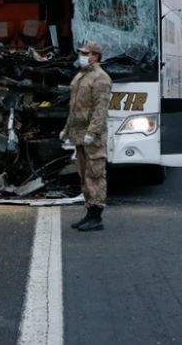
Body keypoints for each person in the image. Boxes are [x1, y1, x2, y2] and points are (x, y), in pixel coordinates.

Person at [60, 41, 112, 232]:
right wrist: (66, 130)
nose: (82, 55)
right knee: (84, 174)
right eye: (81, 53)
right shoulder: (82, 76)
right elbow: (74, 108)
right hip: (79, 134)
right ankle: (89, 212)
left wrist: (93, 132)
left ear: (95, 56)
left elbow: (100, 109)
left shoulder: (101, 78)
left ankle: (97, 216)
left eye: (85, 53)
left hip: (92, 136)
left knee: (95, 174)